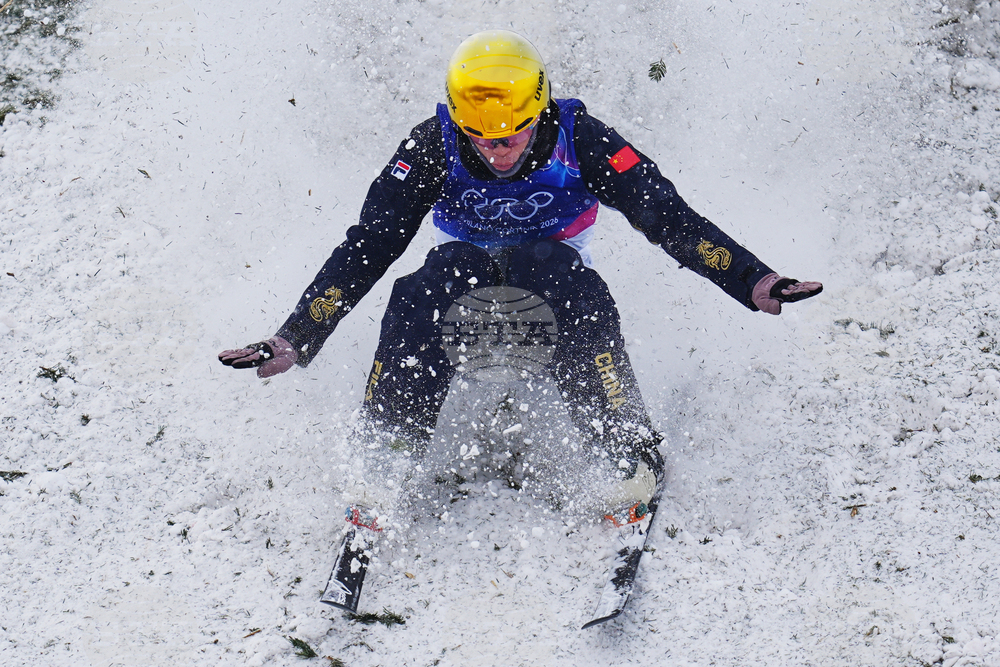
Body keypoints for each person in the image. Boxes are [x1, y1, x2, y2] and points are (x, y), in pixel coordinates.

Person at [219, 30, 822, 532]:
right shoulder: (430, 145)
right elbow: (370, 245)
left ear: (539, 113)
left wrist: (753, 280)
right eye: (481, 138)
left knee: (570, 277)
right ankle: (387, 453)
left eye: (511, 136)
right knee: (416, 290)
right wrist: (296, 335)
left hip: (552, 280)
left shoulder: (583, 138)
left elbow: (668, 216)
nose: (498, 151)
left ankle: (622, 449)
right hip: (464, 277)